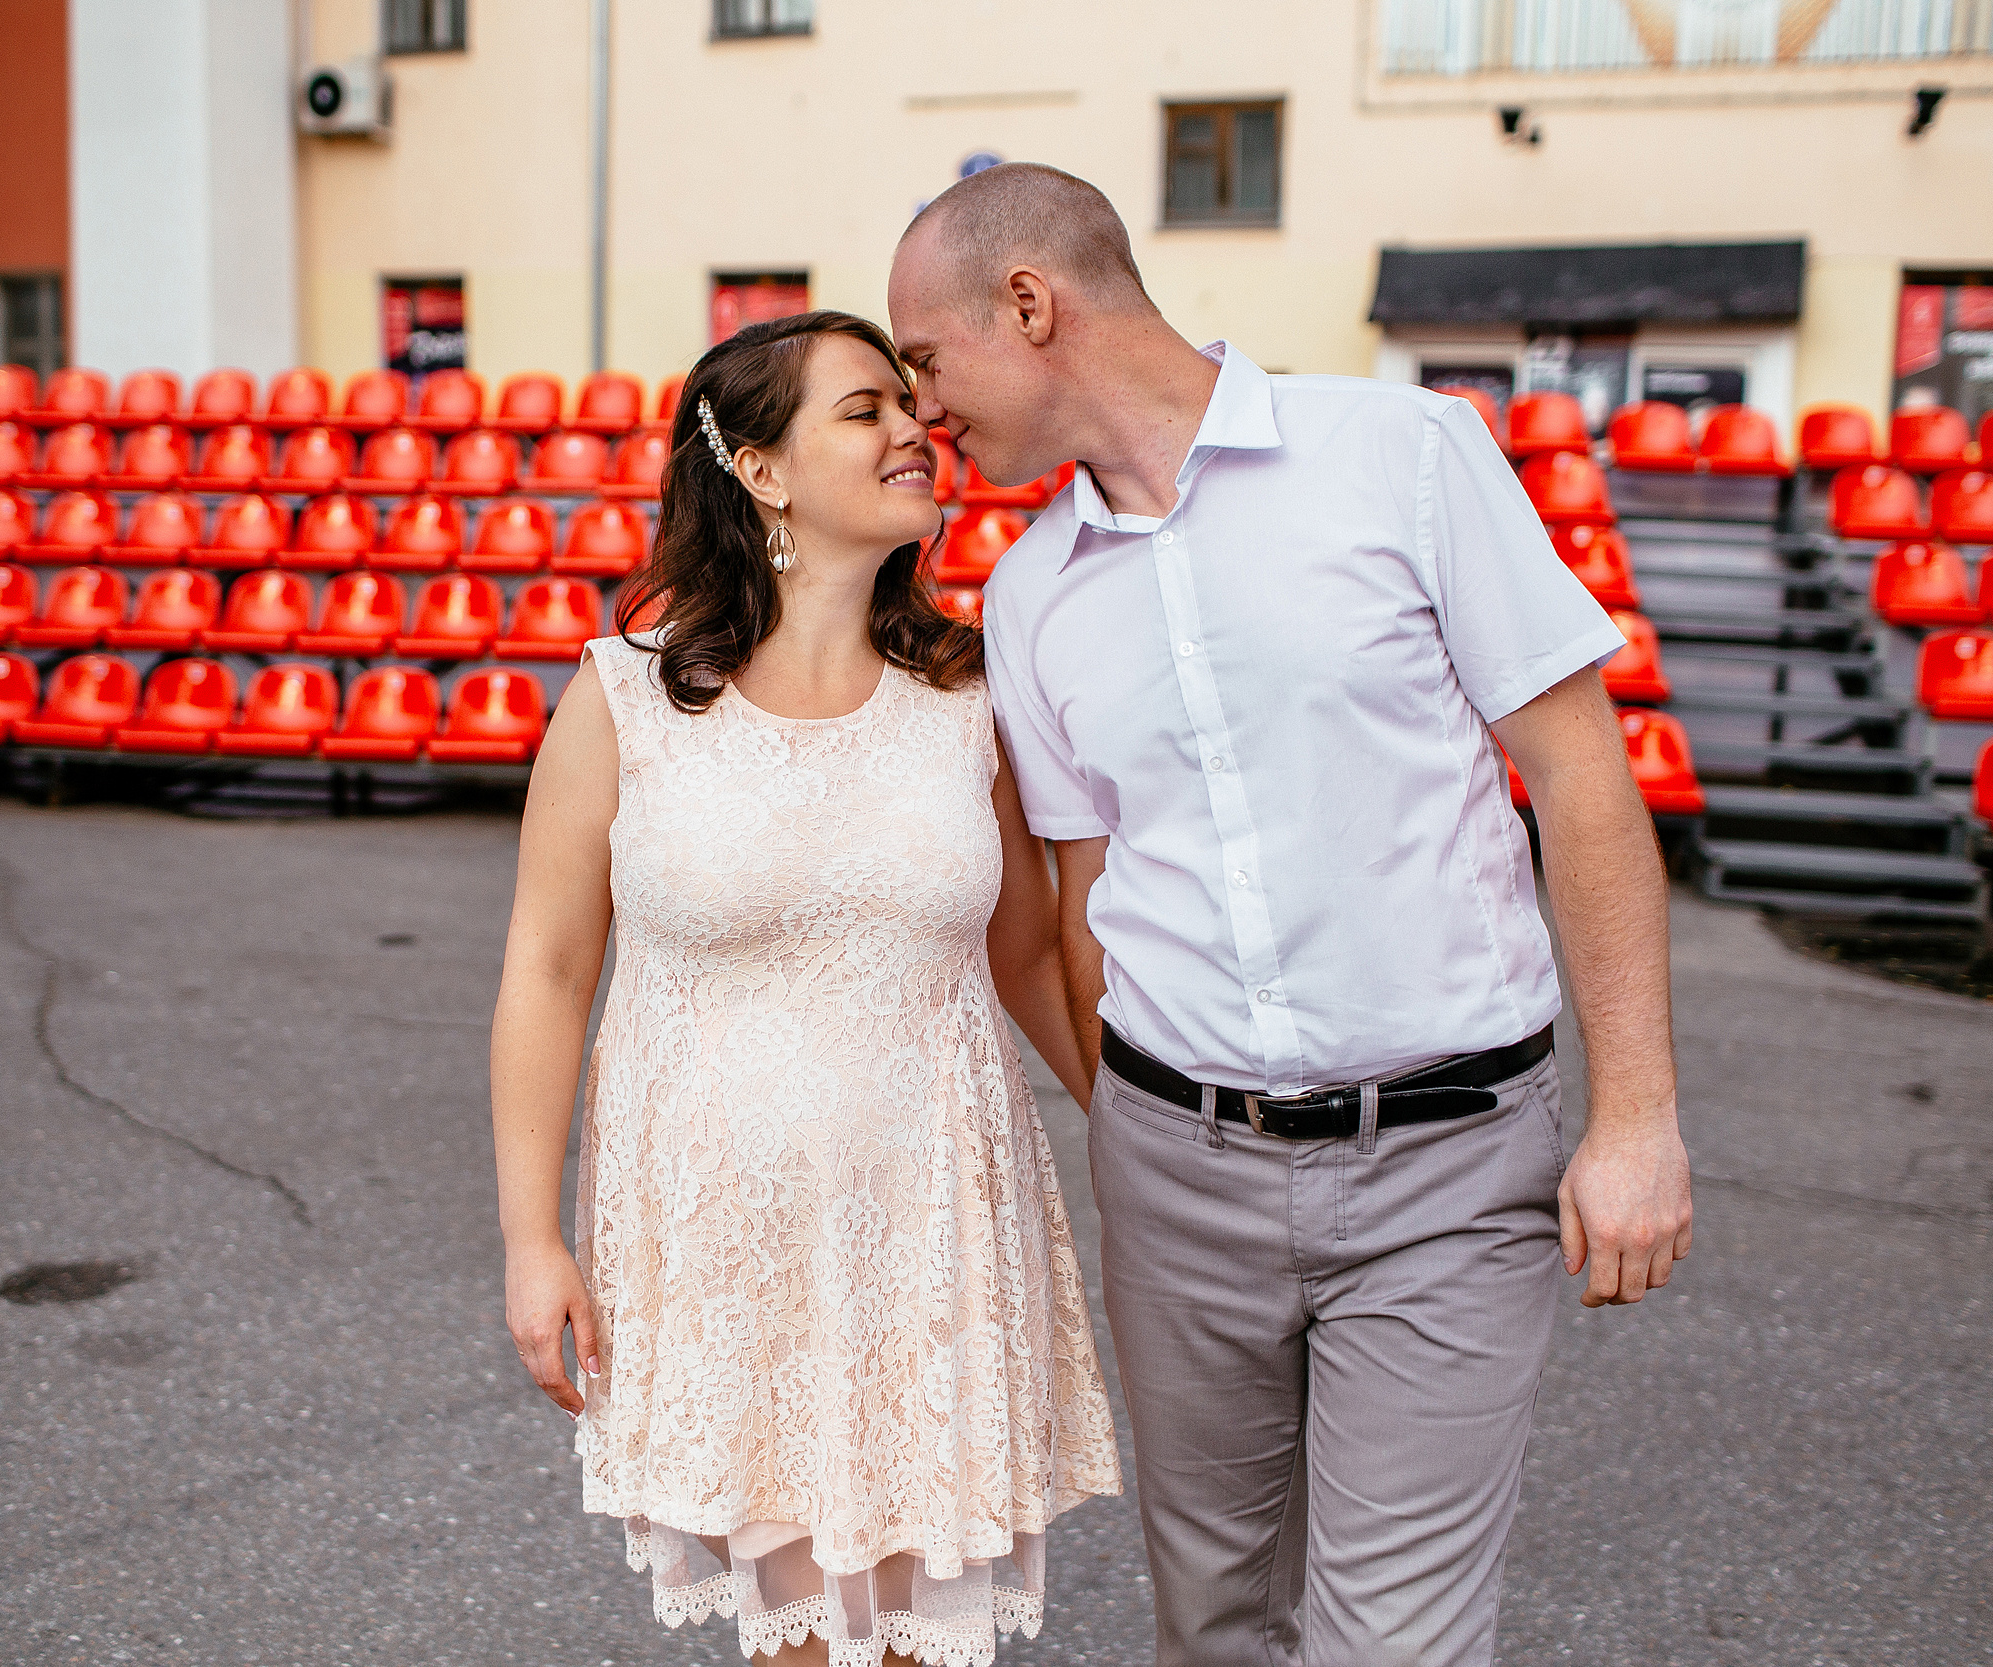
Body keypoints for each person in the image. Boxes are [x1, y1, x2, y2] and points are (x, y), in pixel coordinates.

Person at [887, 164, 1694, 1666]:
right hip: (1178, 1177)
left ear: (1029, 303)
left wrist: (1636, 1114)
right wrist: (1143, 1131)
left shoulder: (1403, 452)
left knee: (1390, 1643)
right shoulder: (1030, 595)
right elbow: (1080, 907)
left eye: (926, 362)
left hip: (1449, 1165)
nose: (922, 411)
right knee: (1218, 1628)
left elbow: (1585, 783)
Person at [489, 310, 1122, 1667]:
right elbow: (547, 970)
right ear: (762, 470)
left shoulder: (966, 696)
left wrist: (1144, 1139)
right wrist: (530, 1238)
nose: (915, 431)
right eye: (863, 411)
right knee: (792, 1644)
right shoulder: (627, 698)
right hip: (725, 1244)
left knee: (920, 1641)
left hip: (936, 1227)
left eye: (911, 404)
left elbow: (1025, 952)